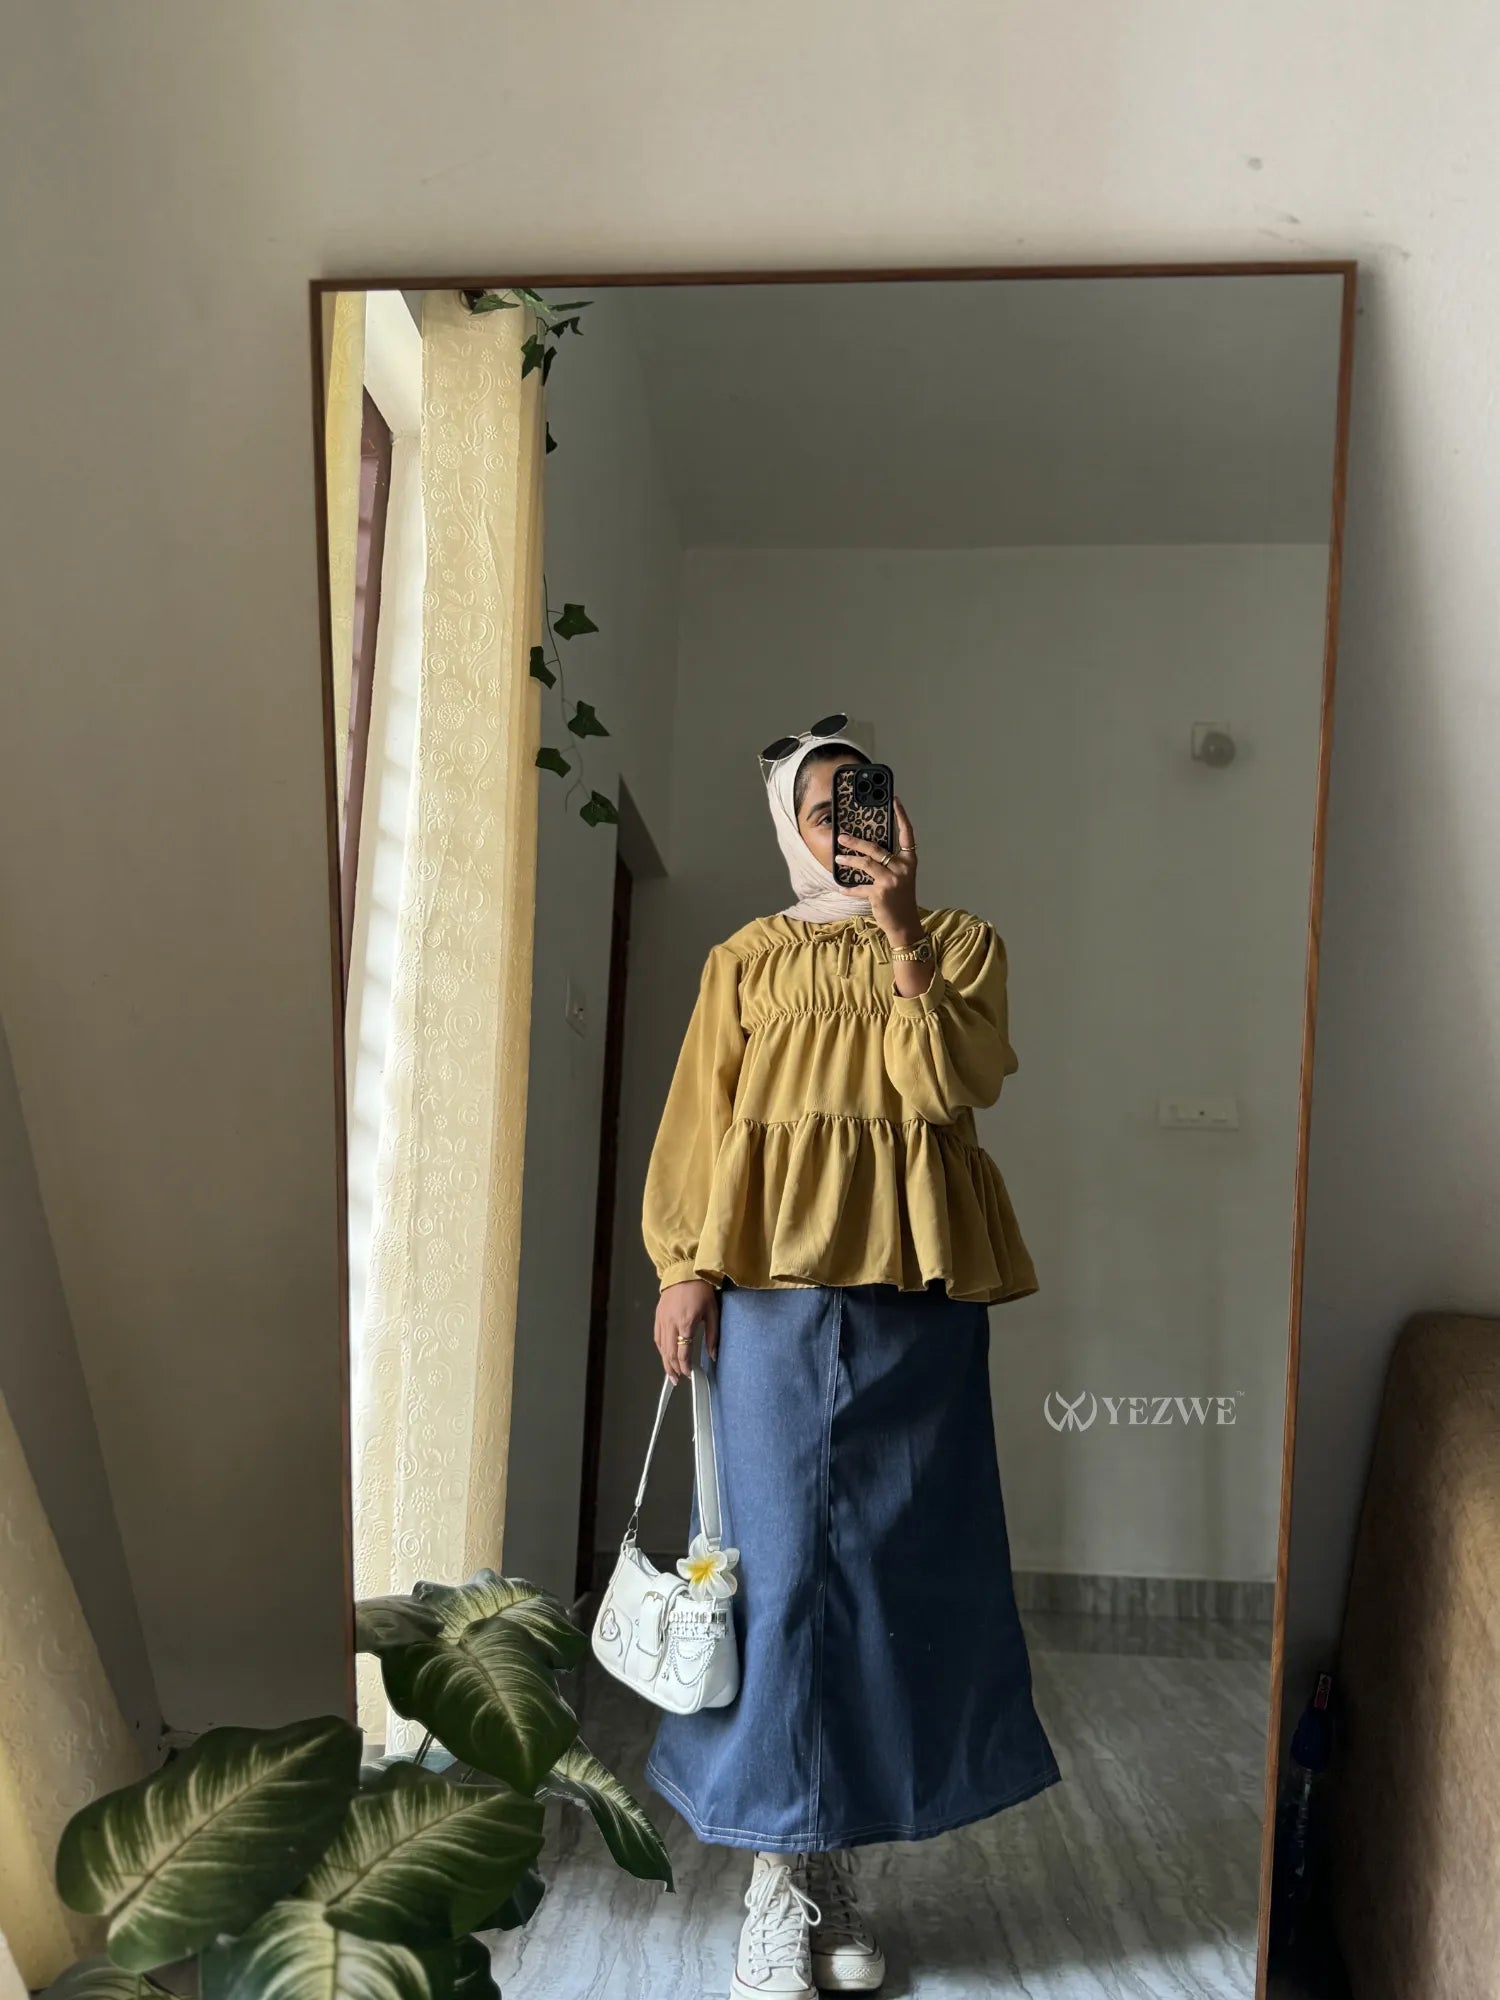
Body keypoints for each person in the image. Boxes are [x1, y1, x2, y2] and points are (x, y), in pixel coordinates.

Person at [639, 717, 1061, 2000]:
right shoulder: (746, 960)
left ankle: (837, 1858)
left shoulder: (958, 942)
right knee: (772, 1575)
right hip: (766, 1290)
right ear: (787, 823)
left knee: (894, 1571)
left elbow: (947, 1087)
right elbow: (702, 1116)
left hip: (915, 1291)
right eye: (821, 805)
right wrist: (681, 1260)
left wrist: (901, 931)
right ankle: (775, 1875)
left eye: (863, 798)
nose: (843, 822)